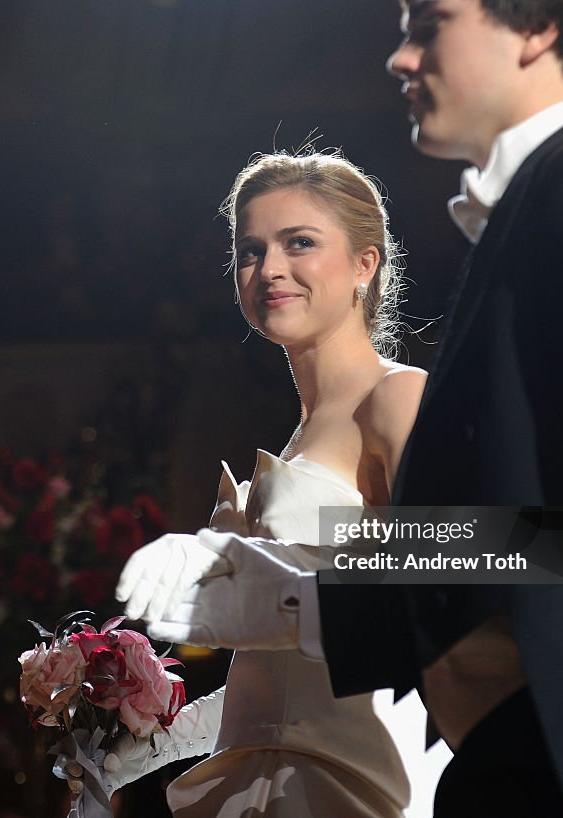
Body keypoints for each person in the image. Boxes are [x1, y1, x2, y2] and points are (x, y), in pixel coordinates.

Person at [118, 1, 563, 817]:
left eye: (430, 23)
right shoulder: (527, 218)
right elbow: (493, 532)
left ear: (539, 28)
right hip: (516, 761)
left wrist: (294, 598)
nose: (400, 58)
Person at [77, 151, 432, 816]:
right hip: (264, 781)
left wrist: (284, 594)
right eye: (250, 250)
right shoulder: (301, 433)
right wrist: (145, 745)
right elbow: (278, 688)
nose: (268, 269)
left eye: (299, 243)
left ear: (365, 264)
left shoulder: (395, 400)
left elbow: (449, 589)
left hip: (357, 782)